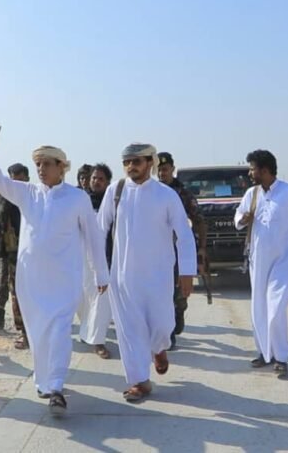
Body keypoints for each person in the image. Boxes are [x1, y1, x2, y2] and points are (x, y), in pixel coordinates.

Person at [0, 122, 109, 416]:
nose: (40, 169)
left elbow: (93, 238)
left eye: (47, 164)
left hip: (64, 280)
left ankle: (57, 387)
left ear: (62, 167)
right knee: (37, 333)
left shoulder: (77, 198)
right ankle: (45, 382)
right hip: (31, 280)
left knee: (60, 331)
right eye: (38, 164)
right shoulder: (27, 193)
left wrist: (101, 274)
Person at [98, 143, 196, 402]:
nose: (131, 166)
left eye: (137, 161)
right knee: (130, 331)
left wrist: (187, 271)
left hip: (158, 276)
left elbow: (184, 235)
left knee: (163, 326)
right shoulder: (115, 191)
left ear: (150, 163)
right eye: (127, 162)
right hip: (123, 276)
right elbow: (100, 229)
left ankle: (159, 347)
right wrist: (99, 269)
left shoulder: (166, 195)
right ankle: (139, 381)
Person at [234, 150, 288, 379]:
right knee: (259, 307)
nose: (250, 173)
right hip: (258, 260)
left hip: (285, 261)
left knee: (276, 308)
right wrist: (242, 219)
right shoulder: (252, 194)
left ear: (265, 170)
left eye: (252, 169)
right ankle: (264, 352)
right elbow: (238, 217)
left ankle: (281, 357)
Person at [156, 152, 207, 350]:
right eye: (159, 170)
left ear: (172, 169)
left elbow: (199, 221)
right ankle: (167, 335)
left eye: (165, 169)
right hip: (157, 251)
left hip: (179, 250)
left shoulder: (183, 193)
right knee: (162, 292)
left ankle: (178, 315)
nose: (162, 173)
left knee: (178, 294)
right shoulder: (152, 192)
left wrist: (201, 249)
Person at [0, 163, 29, 350]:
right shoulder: (2, 197)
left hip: (29, 253)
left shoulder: (32, 197)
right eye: (13, 179)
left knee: (24, 291)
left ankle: (27, 330)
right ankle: (3, 316)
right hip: (8, 250)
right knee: (7, 285)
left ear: (27, 179)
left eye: (20, 179)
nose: (15, 183)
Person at [77, 163, 115, 359]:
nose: (96, 182)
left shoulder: (114, 203)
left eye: (101, 179)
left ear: (107, 182)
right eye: (94, 178)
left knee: (101, 299)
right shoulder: (80, 201)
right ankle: (87, 331)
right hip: (80, 258)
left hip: (104, 258)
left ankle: (98, 341)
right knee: (83, 299)